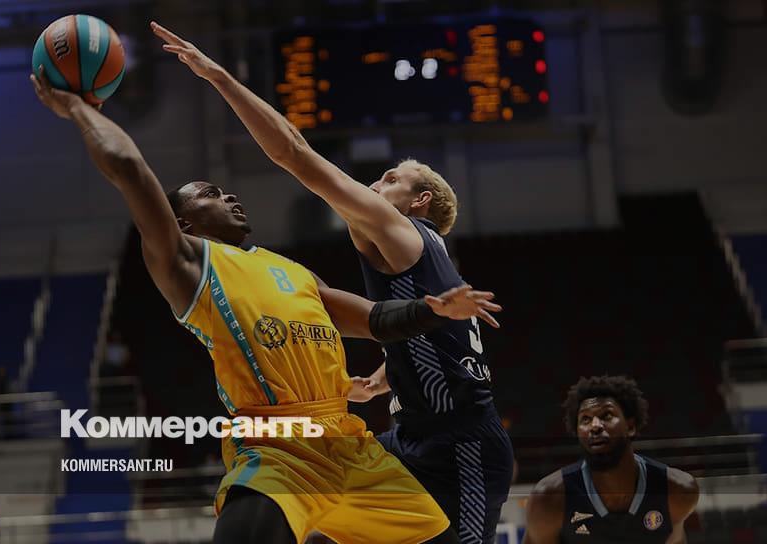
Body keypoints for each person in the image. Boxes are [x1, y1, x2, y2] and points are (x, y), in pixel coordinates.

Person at [30, 63, 503, 543]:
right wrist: (78, 108)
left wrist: (431, 311)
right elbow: (129, 168)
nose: (229, 195)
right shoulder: (188, 262)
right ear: (183, 224)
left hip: (350, 444)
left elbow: (377, 320)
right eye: (211, 194)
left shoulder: (292, 271)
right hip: (279, 446)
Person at [153, 21, 513, 544]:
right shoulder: (425, 260)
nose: (374, 183)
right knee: (326, 466)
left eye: (390, 180)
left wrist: (219, 78)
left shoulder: (403, 230)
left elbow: (293, 151)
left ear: (420, 203)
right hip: (410, 436)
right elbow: (431, 335)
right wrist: (380, 381)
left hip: (460, 444)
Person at [523, 376, 699, 543]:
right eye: (585, 419)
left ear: (630, 426)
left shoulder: (677, 491)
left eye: (606, 415)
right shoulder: (548, 500)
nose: (595, 426)